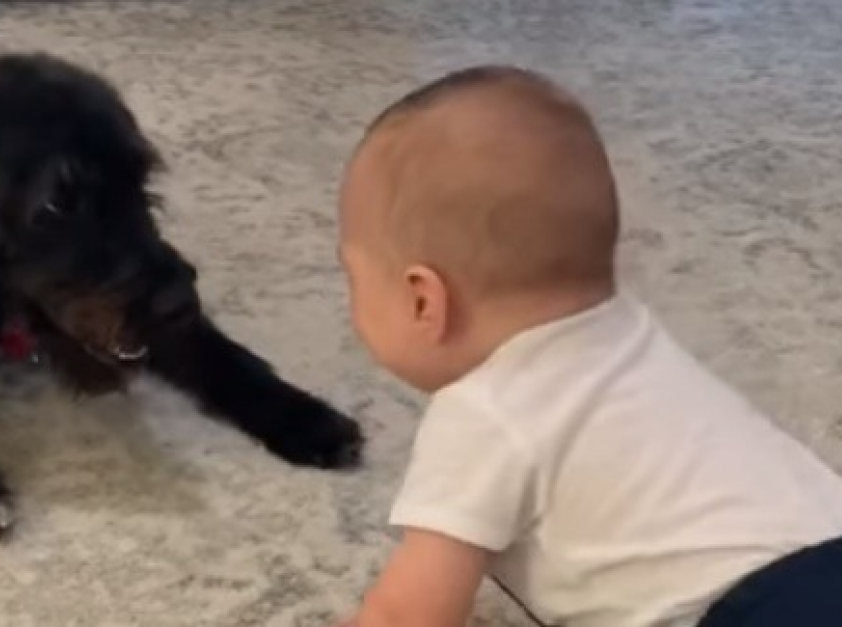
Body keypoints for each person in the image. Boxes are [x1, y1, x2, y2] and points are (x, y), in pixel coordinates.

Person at [334, 65, 842, 627]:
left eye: (354, 279)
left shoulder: (483, 414)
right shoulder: (630, 331)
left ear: (424, 301)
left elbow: (406, 617)